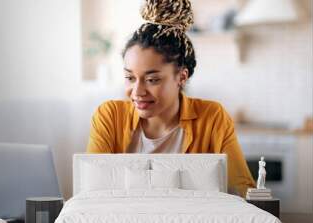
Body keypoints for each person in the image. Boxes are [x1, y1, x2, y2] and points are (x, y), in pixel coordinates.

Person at [86, 0, 255, 197]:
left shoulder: (212, 117)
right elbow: (93, 192)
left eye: (152, 79)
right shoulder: (109, 116)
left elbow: (243, 188)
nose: (137, 91)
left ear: (181, 77)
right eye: (130, 78)